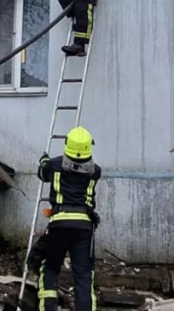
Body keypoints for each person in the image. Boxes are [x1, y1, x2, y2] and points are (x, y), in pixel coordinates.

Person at [35, 126, 102, 311]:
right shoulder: (95, 171)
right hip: (83, 228)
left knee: (49, 268)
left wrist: (44, 160)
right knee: (83, 275)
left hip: (59, 224)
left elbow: (42, 173)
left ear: (67, 145)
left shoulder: (54, 165)